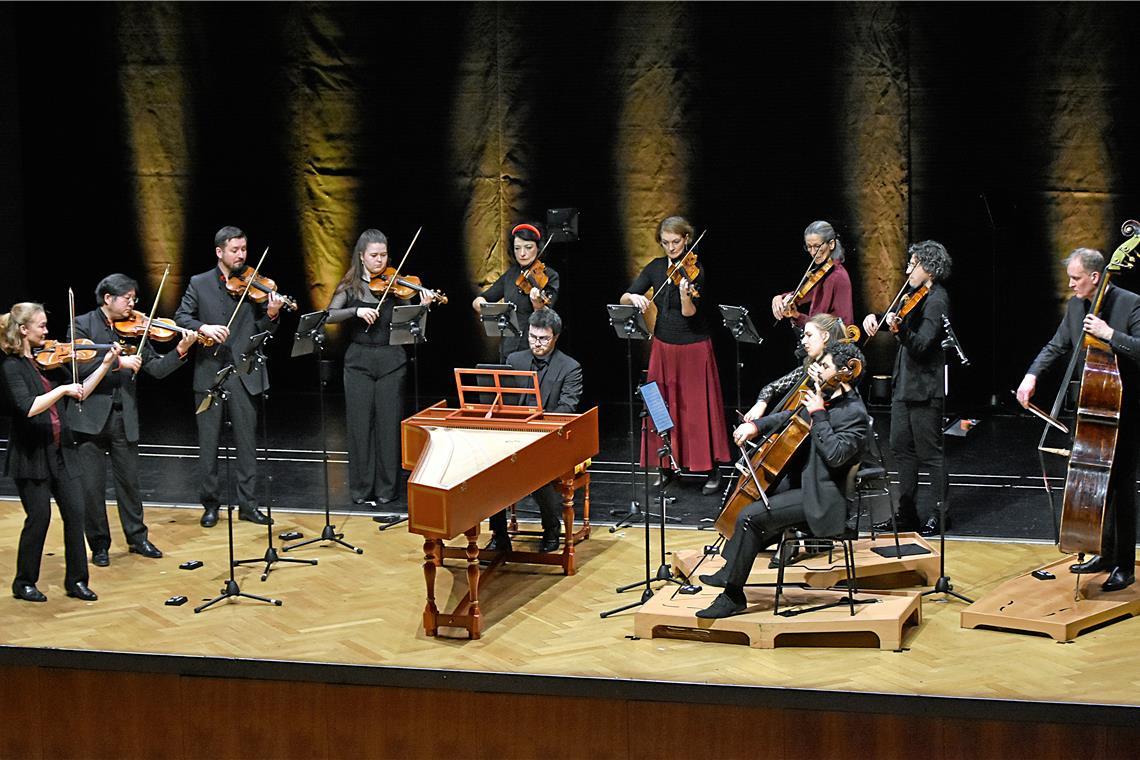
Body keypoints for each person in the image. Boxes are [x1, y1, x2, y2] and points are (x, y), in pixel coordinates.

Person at [696, 341, 869, 618]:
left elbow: (836, 455)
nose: (819, 369)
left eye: (825, 366)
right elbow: (791, 417)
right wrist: (755, 426)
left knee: (751, 518)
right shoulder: (828, 396)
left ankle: (732, 596)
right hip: (807, 485)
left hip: (825, 499)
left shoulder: (854, 414)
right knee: (753, 509)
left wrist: (819, 415)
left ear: (843, 373)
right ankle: (730, 573)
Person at [1016, 247, 1140, 592]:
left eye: (1076, 278)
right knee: (1095, 485)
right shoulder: (1074, 307)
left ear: (1096, 277)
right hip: (1091, 406)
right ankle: (1102, 551)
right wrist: (1031, 376)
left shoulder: (1130, 303)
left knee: (1120, 487)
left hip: (1125, 408)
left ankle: (1124, 565)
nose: (1070, 284)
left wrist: (1110, 334)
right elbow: (1056, 346)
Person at [67, 274, 197, 566]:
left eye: (134, 298)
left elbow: (156, 369)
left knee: (130, 484)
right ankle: (99, 545)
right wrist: (116, 362)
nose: (133, 304)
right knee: (92, 487)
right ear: (108, 299)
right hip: (89, 419)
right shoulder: (82, 324)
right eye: (127, 298)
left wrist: (181, 350)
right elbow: (77, 362)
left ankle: (137, 538)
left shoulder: (135, 331)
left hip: (124, 417)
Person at [1, 302, 120, 602]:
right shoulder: (11, 367)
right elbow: (28, 406)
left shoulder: (49, 363)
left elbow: (80, 389)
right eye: (41, 326)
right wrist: (61, 391)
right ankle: (24, 581)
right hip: (31, 455)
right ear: (24, 330)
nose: (47, 331)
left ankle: (77, 581)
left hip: (62, 451)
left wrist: (105, 364)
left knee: (75, 514)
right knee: (39, 518)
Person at [174, 226, 284, 528]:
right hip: (209, 373)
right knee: (208, 444)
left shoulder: (256, 285)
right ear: (219, 252)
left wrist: (272, 314)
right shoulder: (199, 283)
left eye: (244, 249)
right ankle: (210, 505)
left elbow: (264, 330)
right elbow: (181, 317)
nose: (241, 255)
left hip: (245, 372)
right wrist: (203, 328)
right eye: (235, 250)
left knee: (247, 444)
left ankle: (248, 504)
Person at [326, 228, 436, 509]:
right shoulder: (350, 286)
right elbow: (328, 315)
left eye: (384, 255)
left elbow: (411, 322)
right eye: (374, 255)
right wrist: (356, 311)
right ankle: (362, 489)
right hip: (358, 363)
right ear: (362, 257)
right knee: (360, 428)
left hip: (391, 362)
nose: (380, 260)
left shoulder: (397, 283)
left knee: (389, 428)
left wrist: (421, 306)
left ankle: (387, 489)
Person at [620, 215, 730, 495]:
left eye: (676, 242)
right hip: (663, 345)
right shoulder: (656, 268)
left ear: (686, 240)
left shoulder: (696, 270)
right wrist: (634, 298)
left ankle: (711, 468)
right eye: (666, 243)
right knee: (660, 404)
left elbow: (690, 314)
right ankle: (665, 465)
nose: (671, 248)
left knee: (696, 408)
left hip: (693, 347)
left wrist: (684, 296)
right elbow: (625, 296)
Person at [863, 240, 952, 537]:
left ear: (929, 267)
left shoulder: (937, 298)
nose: (907, 269)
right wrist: (877, 318)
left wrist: (899, 330)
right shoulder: (913, 295)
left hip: (925, 387)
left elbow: (923, 343)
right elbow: (899, 322)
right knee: (901, 449)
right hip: (904, 385)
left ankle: (941, 515)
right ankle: (906, 513)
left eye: (913, 264)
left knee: (930, 453)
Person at [485, 308, 583, 553]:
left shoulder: (570, 367)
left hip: (550, 439)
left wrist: (538, 422)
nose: (536, 344)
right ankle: (499, 534)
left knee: (537, 475)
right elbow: (503, 399)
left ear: (555, 337)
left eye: (543, 339)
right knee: (489, 474)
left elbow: (568, 407)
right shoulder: (514, 360)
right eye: (532, 337)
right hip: (516, 437)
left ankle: (551, 528)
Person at [472, 222, 559, 362]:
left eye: (528, 247)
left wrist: (537, 302)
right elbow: (481, 299)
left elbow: (546, 316)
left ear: (538, 248)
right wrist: (482, 306)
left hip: (534, 350)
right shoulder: (511, 274)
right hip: (508, 348)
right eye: (517, 248)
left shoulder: (550, 276)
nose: (522, 253)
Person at [743, 313, 850, 422]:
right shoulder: (810, 367)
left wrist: (823, 383)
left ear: (825, 336)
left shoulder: (843, 370)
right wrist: (760, 404)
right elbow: (772, 388)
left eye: (809, 335)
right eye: (804, 336)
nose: (803, 341)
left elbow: (844, 404)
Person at [770, 220, 854, 329]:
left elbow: (822, 327)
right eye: (809, 247)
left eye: (817, 246)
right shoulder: (822, 273)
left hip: (833, 343)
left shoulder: (836, 276)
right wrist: (780, 298)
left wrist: (798, 316)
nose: (813, 252)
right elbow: (802, 294)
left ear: (831, 244)